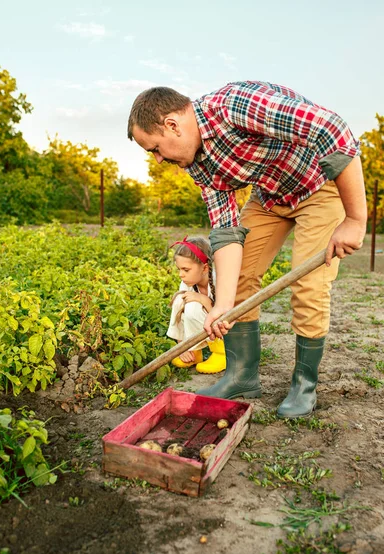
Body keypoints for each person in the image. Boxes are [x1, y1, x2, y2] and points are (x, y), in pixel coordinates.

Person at [127, 81, 367, 418]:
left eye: (155, 148)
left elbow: (332, 128)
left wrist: (355, 219)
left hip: (319, 187)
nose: (158, 158)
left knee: (309, 286)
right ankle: (241, 377)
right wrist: (223, 305)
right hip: (270, 198)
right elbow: (225, 231)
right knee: (234, 276)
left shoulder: (233, 107)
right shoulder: (196, 163)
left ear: (172, 125)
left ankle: (304, 384)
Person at [167, 236, 226, 374]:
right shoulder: (187, 283)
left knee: (193, 307)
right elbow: (178, 312)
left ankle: (221, 353)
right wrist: (182, 346)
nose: (181, 274)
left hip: (228, 335)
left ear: (205, 268)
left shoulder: (219, 281)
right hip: (207, 329)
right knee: (179, 301)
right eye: (179, 269)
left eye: (186, 270)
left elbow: (226, 316)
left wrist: (204, 300)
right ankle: (193, 351)